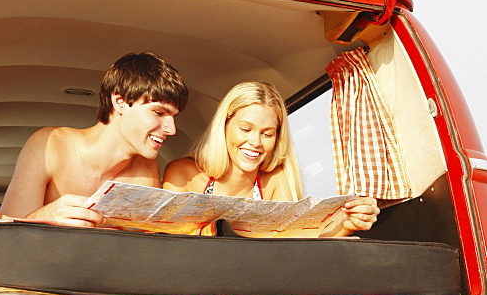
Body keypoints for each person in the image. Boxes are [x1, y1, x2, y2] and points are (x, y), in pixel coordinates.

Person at [162, 81, 379, 237]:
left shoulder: (276, 178)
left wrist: (346, 222)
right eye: (246, 129)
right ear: (224, 127)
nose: (256, 142)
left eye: (267, 134)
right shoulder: (183, 174)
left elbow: (293, 238)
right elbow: (172, 245)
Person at [0, 52, 187, 226]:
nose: (171, 130)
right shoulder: (49, 145)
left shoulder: (146, 169)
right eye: (159, 112)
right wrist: (45, 217)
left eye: (174, 117)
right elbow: (3, 234)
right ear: (120, 102)